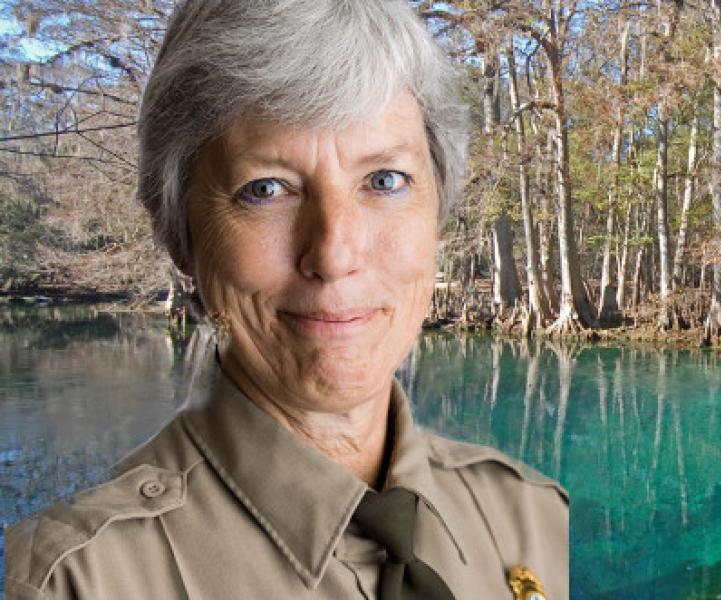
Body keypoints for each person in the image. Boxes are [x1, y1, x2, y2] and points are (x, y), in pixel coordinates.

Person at [2, 1, 568, 599]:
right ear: (182, 235)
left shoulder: (533, 516)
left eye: (384, 180)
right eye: (266, 189)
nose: (333, 254)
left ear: (439, 208)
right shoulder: (70, 581)